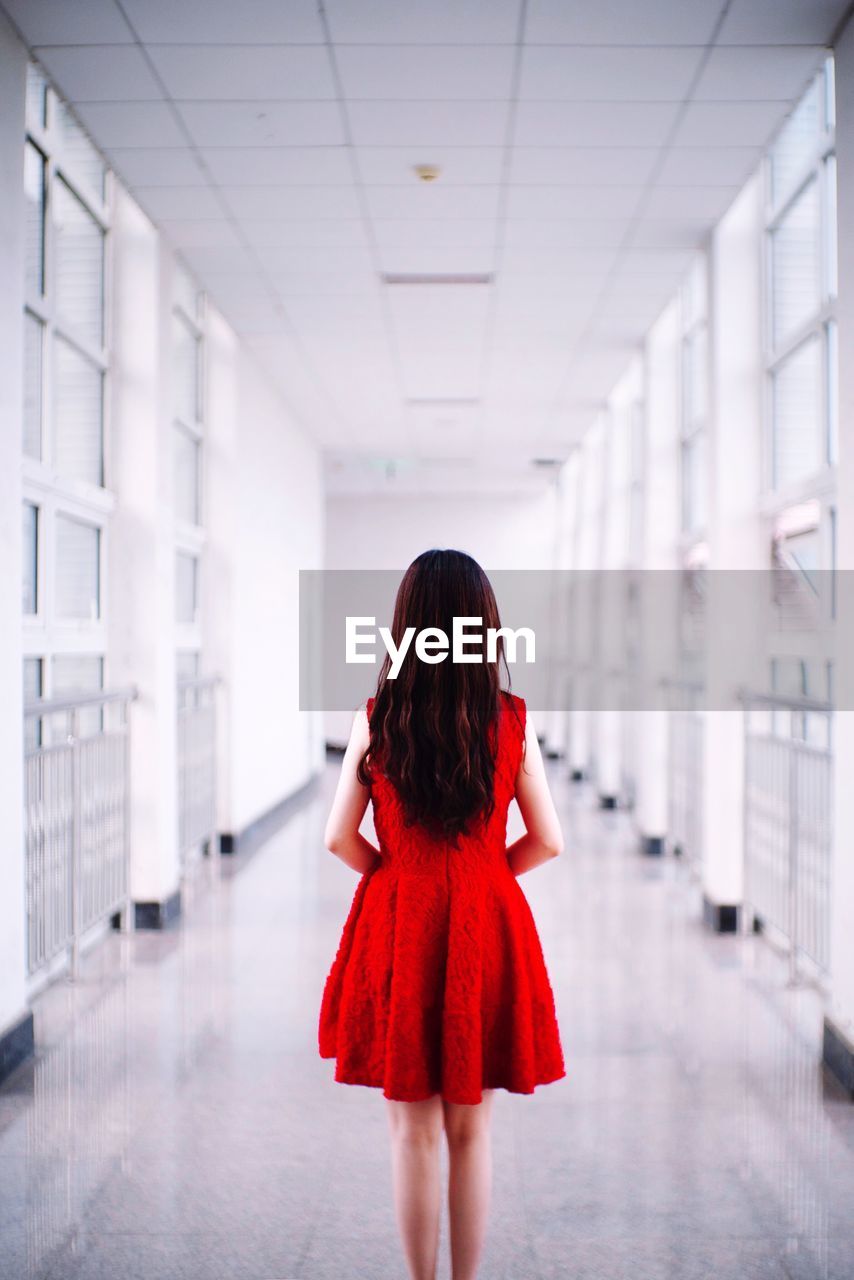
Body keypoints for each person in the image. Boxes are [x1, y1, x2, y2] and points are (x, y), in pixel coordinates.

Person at [318, 549, 566, 1280]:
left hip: (401, 924)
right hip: (485, 926)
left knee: (413, 1132)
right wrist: (488, 874)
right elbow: (549, 840)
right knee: (472, 1127)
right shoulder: (510, 721)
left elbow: (338, 837)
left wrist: (394, 874)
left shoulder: (377, 719)